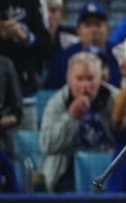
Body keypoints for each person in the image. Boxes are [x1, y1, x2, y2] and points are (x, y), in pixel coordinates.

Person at [39, 53, 117, 192]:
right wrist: (70, 117)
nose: (85, 86)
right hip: (69, 169)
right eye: (79, 79)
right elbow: (47, 144)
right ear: (69, 79)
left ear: (100, 79)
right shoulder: (57, 103)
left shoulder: (115, 99)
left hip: (108, 167)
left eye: (90, 79)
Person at [0, 0, 51, 130]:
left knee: (26, 156)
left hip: (24, 96)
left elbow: (47, 48)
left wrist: (25, 36)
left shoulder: (29, 0)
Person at [43, 2, 122, 90]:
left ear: (108, 29)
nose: (94, 30)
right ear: (78, 30)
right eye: (88, 25)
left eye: (98, 25)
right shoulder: (62, 60)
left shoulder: (121, 56)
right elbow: (49, 94)